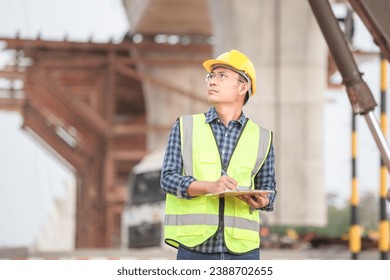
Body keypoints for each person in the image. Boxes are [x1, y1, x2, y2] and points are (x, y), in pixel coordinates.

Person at [160, 49, 276, 260]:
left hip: (243, 252)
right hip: (195, 248)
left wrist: (264, 201)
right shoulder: (185, 126)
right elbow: (168, 179)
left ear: (243, 86)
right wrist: (209, 186)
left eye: (222, 75)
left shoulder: (262, 137)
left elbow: (269, 189)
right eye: (211, 76)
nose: (212, 81)